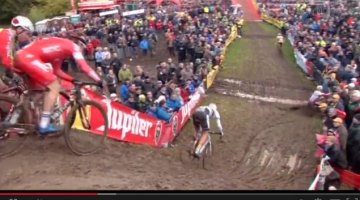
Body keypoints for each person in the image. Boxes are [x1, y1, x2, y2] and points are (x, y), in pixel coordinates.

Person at [6, 20, 102, 135]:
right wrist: (98, 81)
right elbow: (84, 67)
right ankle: (44, 124)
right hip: (27, 58)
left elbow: (57, 71)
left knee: (38, 92)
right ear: (79, 44)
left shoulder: (59, 49)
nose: (81, 52)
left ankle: (18, 117)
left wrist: (72, 80)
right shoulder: (73, 46)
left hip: (21, 57)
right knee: (55, 85)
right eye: (83, 50)